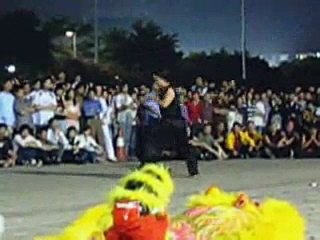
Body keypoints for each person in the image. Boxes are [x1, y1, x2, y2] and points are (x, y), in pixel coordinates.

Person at [140, 72, 199, 177]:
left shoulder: (170, 90)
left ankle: (193, 168)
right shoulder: (161, 91)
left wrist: (155, 99)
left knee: (183, 147)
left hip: (175, 122)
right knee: (153, 142)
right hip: (167, 121)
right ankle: (146, 165)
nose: (156, 82)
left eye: (157, 80)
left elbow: (165, 104)